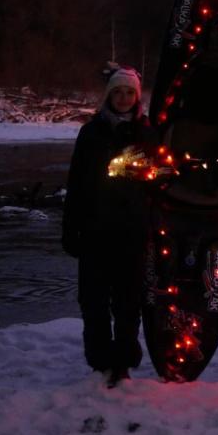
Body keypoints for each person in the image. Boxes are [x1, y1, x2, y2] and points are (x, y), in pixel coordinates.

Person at [62, 66, 158, 387]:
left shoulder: (147, 133)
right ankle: (100, 360)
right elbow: (76, 183)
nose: (123, 98)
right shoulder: (91, 133)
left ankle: (124, 362)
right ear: (109, 95)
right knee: (93, 301)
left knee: (128, 302)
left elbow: (158, 182)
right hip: (95, 230)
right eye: (118, 92)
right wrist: (70, 229)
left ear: (137, 97)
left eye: (129, 92)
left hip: (133, 231)